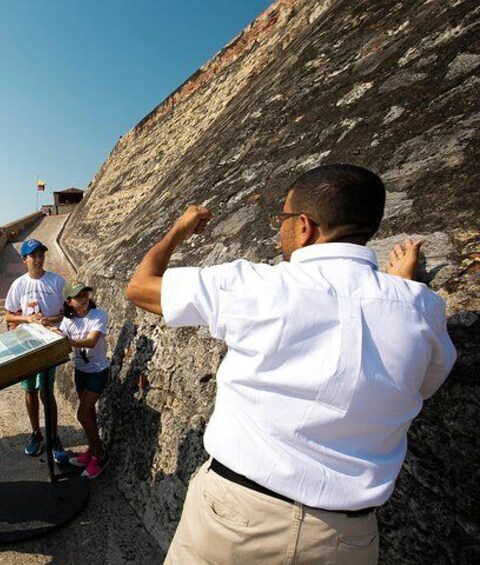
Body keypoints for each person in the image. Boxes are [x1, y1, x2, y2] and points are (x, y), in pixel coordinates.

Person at [126, 164, 457, 564]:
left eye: (281, 219)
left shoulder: (257, 285)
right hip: (345, 538)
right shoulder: (421, 308)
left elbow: (140, 286)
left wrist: (180, 227)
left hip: (235, 518)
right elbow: (420, 385)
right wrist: (405, 290)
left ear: (304, 226)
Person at [4, 238, 69, 462]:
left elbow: (66, 313)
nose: (38, 259)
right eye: (33, 256)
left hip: (49, 345)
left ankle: (54, 437)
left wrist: (47, 321)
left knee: (47, 391)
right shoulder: (19, 285)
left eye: (41, 255)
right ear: (24, 260)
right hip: (26, 345)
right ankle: (36, 434)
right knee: (30, 390)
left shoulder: (57, 282)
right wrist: (28, 319)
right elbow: (9, 314)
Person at [57, 283, 110, 479]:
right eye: (78, 296)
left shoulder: (98, 316)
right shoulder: (68, 321)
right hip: (81, 371)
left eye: (85, 294)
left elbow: (92, 341)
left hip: (98, 371)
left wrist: (67, 342)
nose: (84, 298)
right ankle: (92, 450)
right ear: (69, 302)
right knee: (90, 415)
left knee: (83, 414)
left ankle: (101, 456)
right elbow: (60, 336)